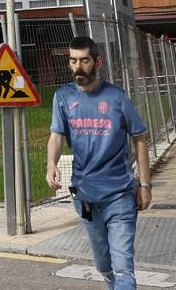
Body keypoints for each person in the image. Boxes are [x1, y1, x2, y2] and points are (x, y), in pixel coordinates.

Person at [47, 36, 151, 290]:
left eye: (84, 60)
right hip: (86, 197)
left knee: (124, 267)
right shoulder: (63, 97)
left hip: (120, 196)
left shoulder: (117, 98)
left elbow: (140, 139)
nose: (78, 67)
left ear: (98, 62)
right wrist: (51, 164)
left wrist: (145, 184)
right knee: (104, 264)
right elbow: (56, 136)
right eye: (73, 61)